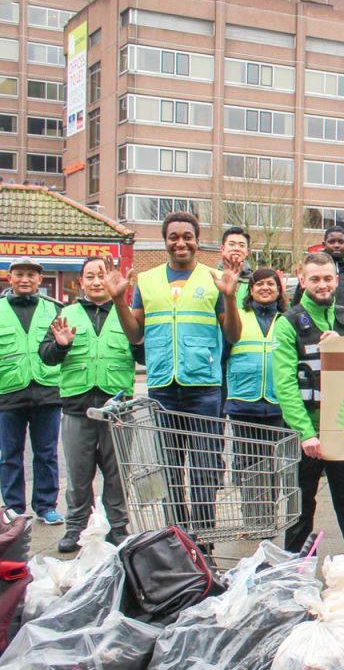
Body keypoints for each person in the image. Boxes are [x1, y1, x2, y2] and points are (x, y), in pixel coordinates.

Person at [108, 212, 243, 535]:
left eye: (187, 236)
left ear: (197, 240)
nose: (180, 242)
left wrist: (229, 295)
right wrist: (118, 300)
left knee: (204, 469)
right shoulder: (148, 280)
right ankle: (178, 537)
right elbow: (134, 334)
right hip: (162, 388)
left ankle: (203, 538)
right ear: (165, 241)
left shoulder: (214, 278)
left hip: (204, 389)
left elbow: (233, 335)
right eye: (173, 237)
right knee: (170, 470)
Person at [274, 251, 344, 554]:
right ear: (302, 281)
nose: (322, 285)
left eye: (328, 278)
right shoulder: (288, 323)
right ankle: (293, 566)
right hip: (307, 433)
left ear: (337, 280)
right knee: (300, 507)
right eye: (315, 279)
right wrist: (306, 434)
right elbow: (285, 384)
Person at [38, 257, 135, 550]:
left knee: (117, 474)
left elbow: (142, 352)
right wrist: (61, 345)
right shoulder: (66, 314)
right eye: (89, 276)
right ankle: (76, 528)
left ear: (111, 281)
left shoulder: (125, 313)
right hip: (77, 409)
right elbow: (46, 355)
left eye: (101, 276)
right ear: (80, 282)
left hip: (117, 411)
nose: (95, 281)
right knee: (79, 476)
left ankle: (117, 526)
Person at [223, 267, 288, 531]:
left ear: (278, 290)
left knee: (273, 465)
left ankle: (268, 518)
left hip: (277, 402)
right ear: (250, 290)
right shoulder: (237, 316)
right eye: (259, 284)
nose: (265, 288)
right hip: (244, 401)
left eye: (270, 284)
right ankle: (253, 519)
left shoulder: (286, 319)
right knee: (248, 465)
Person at [0, 257, 63, 524]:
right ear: (9, 277)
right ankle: (14, 507)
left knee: (46, 453)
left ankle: (46, 505)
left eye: (31, 275)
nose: (25, 279)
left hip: (47, 392)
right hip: (8, 392)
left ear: (40, 279)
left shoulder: (55, 309)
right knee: (9, 454)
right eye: (19, 274)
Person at [290, 226, 344, 306]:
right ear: (324, 244)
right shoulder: (313, 267)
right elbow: (295, 307)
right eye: (332, 242)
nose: (336, 245)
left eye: (341, 242)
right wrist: (300, 288)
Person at [219, 226, 255, 305]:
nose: (236, 248)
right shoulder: (213, 277)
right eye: (231, 244)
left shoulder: (254, 281)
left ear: (247, 252)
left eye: (241, 245)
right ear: (222, 249)